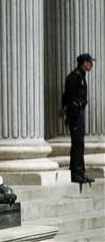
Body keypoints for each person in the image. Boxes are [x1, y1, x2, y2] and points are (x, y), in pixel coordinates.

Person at [60, 53, 95, 187]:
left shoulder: (80, 76)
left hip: (77, 113)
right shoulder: (75, 76)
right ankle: (77, 172)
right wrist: (68, 108)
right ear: (84, 63)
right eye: (90, 62)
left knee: (79, 143)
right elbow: (68, 95)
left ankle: (80, 172)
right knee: (77, 143)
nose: (91, 65)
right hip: (75, 114)